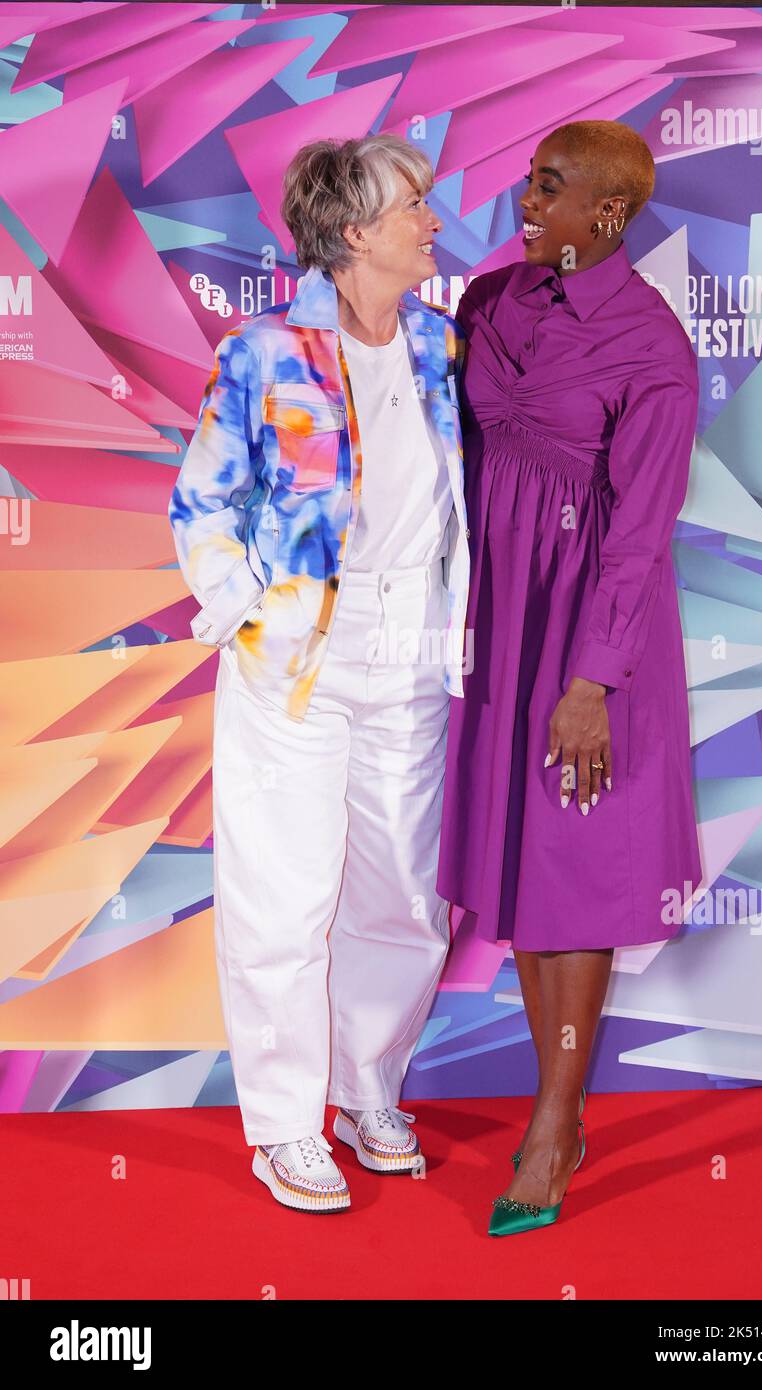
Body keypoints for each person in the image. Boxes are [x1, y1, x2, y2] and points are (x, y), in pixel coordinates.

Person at [168, 133, 470, 1212]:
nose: (434, 219)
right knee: (284, 897)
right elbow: (201, 502)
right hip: (295, 657)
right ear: (353, 231)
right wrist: (250, 614)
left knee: (401, 893)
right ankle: (286, 1127)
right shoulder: (261, 351)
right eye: (414, 204)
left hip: (414, 649)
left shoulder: (442, 342)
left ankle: (368, 1091)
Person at [436, 120, 702, 1237]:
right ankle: (562, 1106)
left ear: (607, 214)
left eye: (550, 186)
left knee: (578, 871)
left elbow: (640, 533)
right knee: (528, 874)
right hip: (496, 620)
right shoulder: (487, 305)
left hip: (594, 637)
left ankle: (554, 1120)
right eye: (529, 176)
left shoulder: (653, 347)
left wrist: (593, 679)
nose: (524, 196)